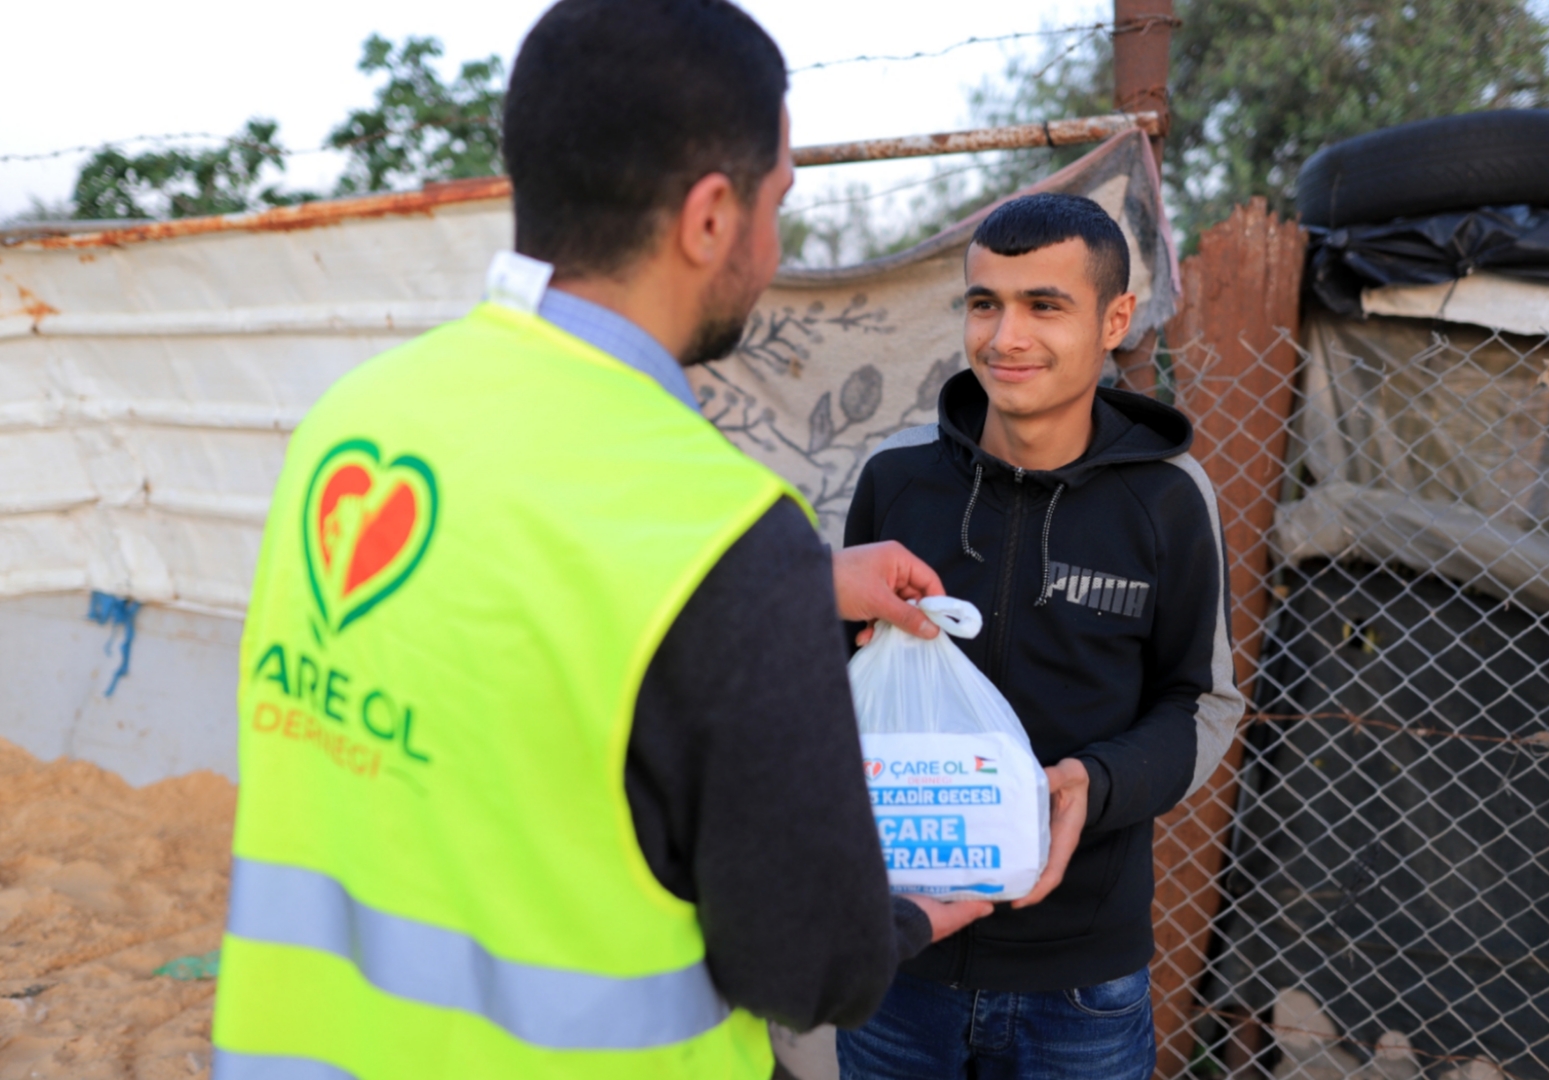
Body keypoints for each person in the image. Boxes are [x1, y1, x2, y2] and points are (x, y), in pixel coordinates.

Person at [209, 2, 991, 1078]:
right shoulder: (716, 532)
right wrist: (908, 918)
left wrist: (790, 593)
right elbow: (811, 972)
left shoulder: (354, 424)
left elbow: (524, 647)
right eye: (778, 204)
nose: (774, 247)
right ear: (710, 217)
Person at [838, 192, 1244, 1080]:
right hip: (899, 957)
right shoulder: (895, 482)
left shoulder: (1170, 499)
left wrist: (1088, 787)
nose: (1003, 337)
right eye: (985, 303)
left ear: (1115, 320)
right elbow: (834, 685)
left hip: (1080, 983)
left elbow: (1198, 702)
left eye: (1043, 306)